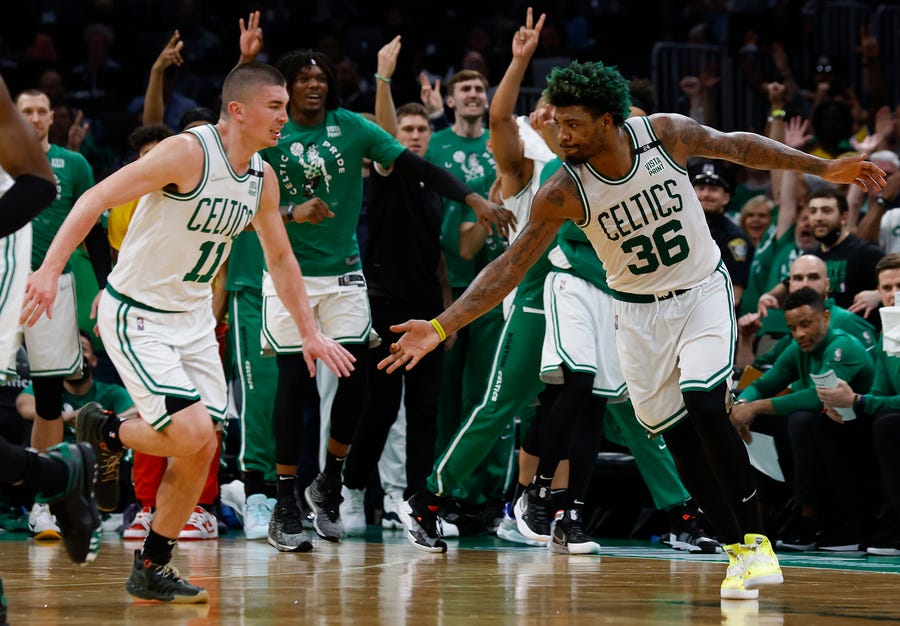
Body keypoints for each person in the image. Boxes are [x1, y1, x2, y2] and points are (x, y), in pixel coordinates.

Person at [379, 58, 886, 599]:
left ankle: (759, 542)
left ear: (606, 120)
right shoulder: (563, 191)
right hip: (637, 314)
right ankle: (739, 550)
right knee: (675, 435)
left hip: (700, 292)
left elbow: (739, 145)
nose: (562, 134)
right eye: (557, 124)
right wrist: (439, 324)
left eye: (572, 124)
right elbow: (509, 267)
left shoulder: (663, 135)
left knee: (705, 403)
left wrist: (822, 167)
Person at [20, 62, 355, 604]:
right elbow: (93, 199)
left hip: (194, 318)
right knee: (188, 430)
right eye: (276, 106)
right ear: (238, 110)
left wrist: (310, 332)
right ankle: (102, 431)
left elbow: (281, 256)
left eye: (286, 108)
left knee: (201, 446)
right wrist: (48, 269)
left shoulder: (262, 178)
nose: (285, 117)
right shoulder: (186, 153)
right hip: (138, 312)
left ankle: (152, 564)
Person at [236, 12, 512, 550]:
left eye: (321, 79)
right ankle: (286, 497)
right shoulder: (267, 133)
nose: (314, 85)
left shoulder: (354, 128)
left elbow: (416, 168)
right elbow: (237, 196)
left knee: (358, 381)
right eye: (303, 79)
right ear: (286, 89)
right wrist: (291, 210)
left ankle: (332, 480)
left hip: (344, 276)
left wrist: (473, 197)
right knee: (294, 385)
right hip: (287, 275)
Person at [0, 71, 101, 618]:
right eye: (28, 110)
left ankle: (49, 485)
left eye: (42, 112)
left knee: (46, 392)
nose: (36, 119)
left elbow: (65, 206)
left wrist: (100, 292)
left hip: (36, 280)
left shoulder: (69, 165)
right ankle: (56, 473)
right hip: (13, 281)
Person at [732, 287, 876, 552]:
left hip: (864, 431)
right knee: (756, 416)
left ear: (826, 317)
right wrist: (742, 404)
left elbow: (815, 397)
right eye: (793, 327)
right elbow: (765, 383)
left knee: (802, 419)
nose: (799, 334)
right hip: (830, 430)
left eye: (806, 324)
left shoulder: (842, 346)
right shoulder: (799, 347)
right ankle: (766, 509)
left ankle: (823, 516)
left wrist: (754, 407)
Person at [817, 253, 900, 554]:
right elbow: (879, 390)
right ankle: (854, 519)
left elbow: (876, 399)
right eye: (887, 288)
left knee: (887, 423)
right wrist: (845, 405)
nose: (894, 295)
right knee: (839, 422)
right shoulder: (886, 334)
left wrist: (859, 400)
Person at [17, 330, 136, 539]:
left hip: (95, 459)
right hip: (60, 460)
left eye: (84, 350)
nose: (78, 355)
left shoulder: (110, 391)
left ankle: (112, 511)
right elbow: (23, 404)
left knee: (125, 435)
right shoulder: (49, 391)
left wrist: (99, 421)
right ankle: (43, 508)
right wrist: (67, 416)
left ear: (95, 360)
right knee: (34, 423)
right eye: (73, 350)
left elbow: (136, 411)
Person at [691, 159, 753, 308]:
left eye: (713, 189)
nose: (705, 194)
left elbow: (734, 296)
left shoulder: (734, 238)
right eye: (700, 187)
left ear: (726, 198)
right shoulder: (681, 228)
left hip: (713, 319)